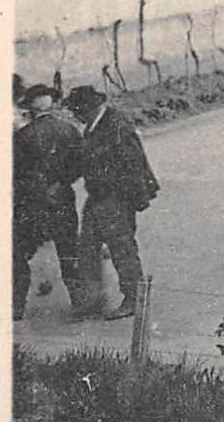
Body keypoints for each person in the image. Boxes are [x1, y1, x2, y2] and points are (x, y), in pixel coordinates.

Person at [63, 86, 159, 321]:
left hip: (114, 198)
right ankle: (93, 298)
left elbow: (133, 164)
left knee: (121, 248)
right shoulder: (96, 124)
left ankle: (134, 299)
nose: (76, 116)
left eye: (78, 110)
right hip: (98, 197)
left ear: (88, 108)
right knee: (86, 248)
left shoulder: (116, 125)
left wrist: (133, 201)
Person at [13, 83, 83, 320]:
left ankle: (16, 306)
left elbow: (15, 173)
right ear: (51, 105)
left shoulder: (22, 136)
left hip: (31, 204)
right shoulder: (69, 131)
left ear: (31, 108)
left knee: (19, 254)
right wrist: (60, 182)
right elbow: (78, 165)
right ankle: (80, 303)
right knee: (69, 251)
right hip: (62, 199)